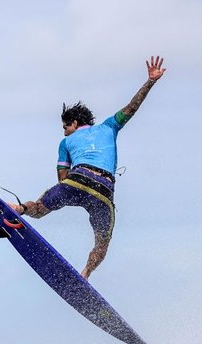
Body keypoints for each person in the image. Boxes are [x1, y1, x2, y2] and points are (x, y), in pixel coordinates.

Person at [9, 56, 167, 279]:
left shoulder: (65, 143)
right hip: (103, 192)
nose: (64, 132)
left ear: (74, 123)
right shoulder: (110, 126)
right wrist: (150, 82)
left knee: (38, 209)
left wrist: (57, 200)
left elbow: (63, 179)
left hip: (77, 180)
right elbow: (131, 108)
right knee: (102, 243)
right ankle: (85, 273)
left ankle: (18, 209)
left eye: (65, 127)